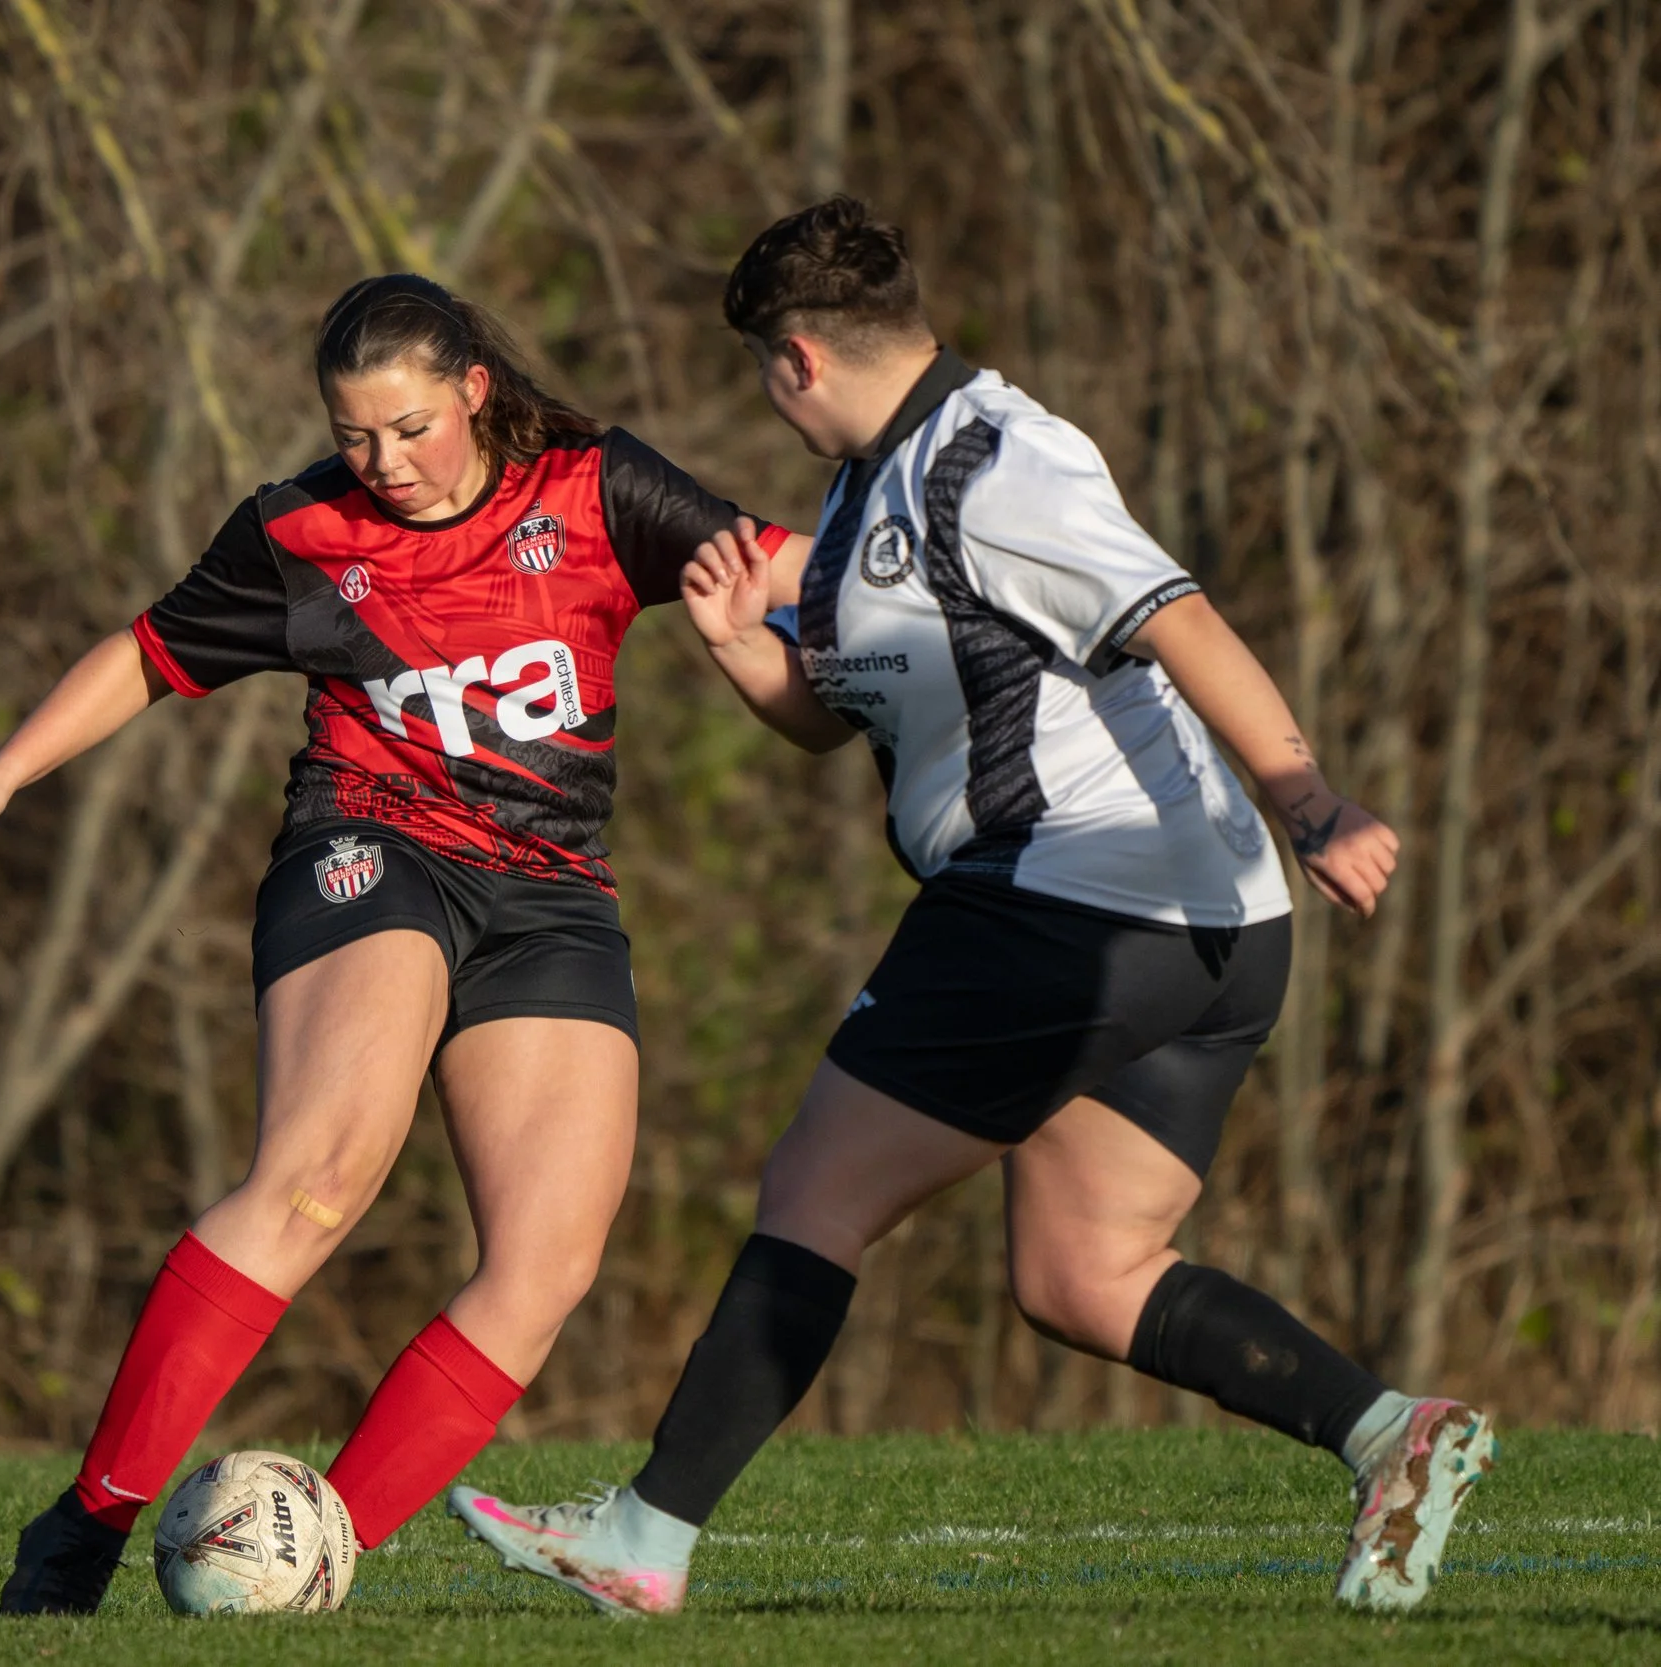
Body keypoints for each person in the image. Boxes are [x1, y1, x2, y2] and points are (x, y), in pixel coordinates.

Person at [451, 198, 1491, 1617]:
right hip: (1195, 931)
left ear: (798, 361)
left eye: (764, 367)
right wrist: (745, 650)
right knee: (1081, 1267)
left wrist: (1311, 797)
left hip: (1076, 894)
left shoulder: (997, 462)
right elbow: (838, 723)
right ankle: (1390, 1434)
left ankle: (646, 1534)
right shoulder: (864, 499)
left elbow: (1174, 614)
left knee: (817, 1186)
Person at [0, 273, 808, 1613]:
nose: (382, 463)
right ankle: (85, 1526)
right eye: (355, 435)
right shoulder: (300, 529)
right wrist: (6, 768)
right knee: (319, 1175)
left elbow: (785, 571)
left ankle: (318, 1558)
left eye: (408, 428)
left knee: (547, 1262)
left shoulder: (595, 486)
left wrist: (930, 631)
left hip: (553, 891)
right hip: (372, 852)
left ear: (476, 392)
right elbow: (150, 652)